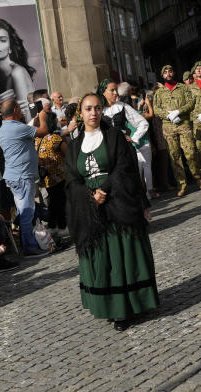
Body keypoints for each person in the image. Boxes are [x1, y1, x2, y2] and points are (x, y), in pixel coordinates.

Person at [64, 93, 158, 330]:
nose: (93, 113)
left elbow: (125, 168)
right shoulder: (74, 146)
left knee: (120, 255)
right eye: (88, 109)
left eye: (97, 108)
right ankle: (107, 304)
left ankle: (125, 309)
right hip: (90, 209)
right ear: (81, 113)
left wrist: (103, 190)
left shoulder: (115, 137)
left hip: (118, 202)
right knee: (102, 257)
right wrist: (89, 196)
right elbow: (72, 180)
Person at [0, 100, 47, 256]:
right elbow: (43, 130)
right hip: (22, 177)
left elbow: (24, 139)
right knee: (27, 212)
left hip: (16, 175)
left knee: (24, 211)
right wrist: (43, 116)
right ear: (16, 110)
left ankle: (29, 242)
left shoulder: (5, 128)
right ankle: (29, 248)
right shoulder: (16, 127)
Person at [152, 65, 201, 196]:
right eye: (165, 73)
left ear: (173, 73)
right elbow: (156, 109)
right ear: (162, 76)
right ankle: (182, 184)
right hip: (169, 127)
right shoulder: (159, 92)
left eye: (170, 71)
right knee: (175, 156)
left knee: (190, 152)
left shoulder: (183, 88)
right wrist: (168, 115)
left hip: (183, 124)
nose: (168, 74)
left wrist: (178, 112)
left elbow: (191, 102)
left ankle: (198, 177)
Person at [103, 81, 152, 200]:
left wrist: (134, 138)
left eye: (116, 90)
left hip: (123, 149)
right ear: (103, 92)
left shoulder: (123, 106)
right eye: (112, 90)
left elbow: (143, 123)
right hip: (106, 150)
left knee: (128, 179)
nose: (116, 93)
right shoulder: (99, 109)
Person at [34, 112, 68, 234]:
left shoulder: (37, 139)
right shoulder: (55, 138)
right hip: (59, 175)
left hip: (46, 177)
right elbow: (67, 154)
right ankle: (63, 226)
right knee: (61, 201)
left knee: (53, 202)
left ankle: (53, 226)